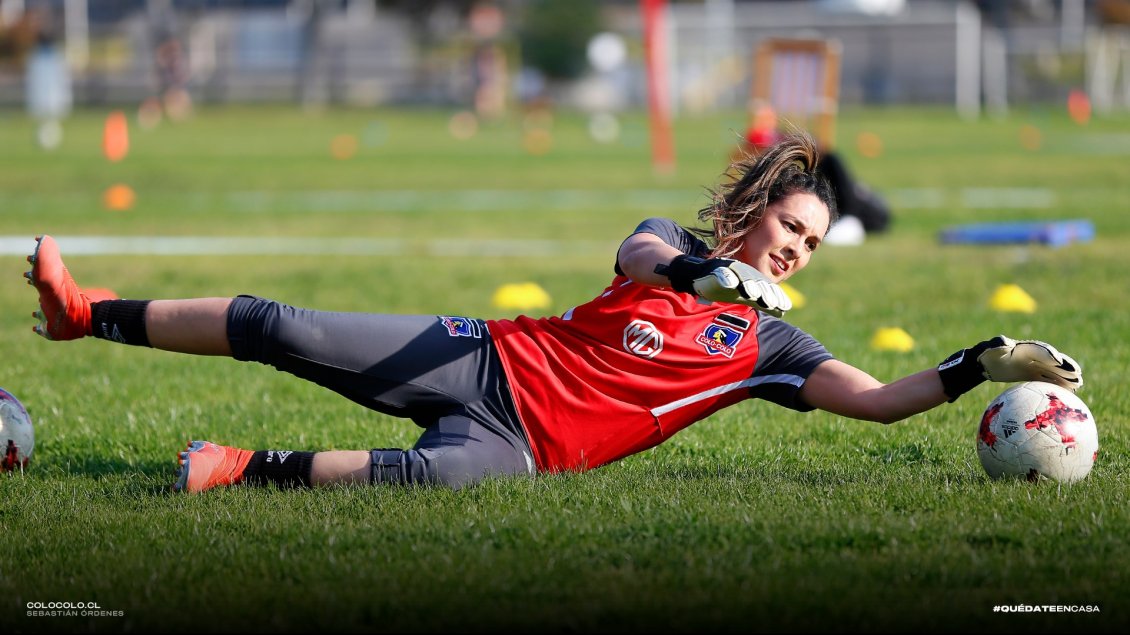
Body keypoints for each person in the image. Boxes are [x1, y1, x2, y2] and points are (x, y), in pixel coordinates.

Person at [24, 134, 1082, 493]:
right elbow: (641, 251)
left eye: (811, 241)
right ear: (758, 208)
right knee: (282, 325)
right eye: (789, 225)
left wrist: (974, 366)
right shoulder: (670, 244)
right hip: (483, 359)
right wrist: (697, 276)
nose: (797, 246)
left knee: (432, 483)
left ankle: (238, 467)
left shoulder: (772, 344)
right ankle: (87, 313)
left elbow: (880, 398)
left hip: (526, 449)